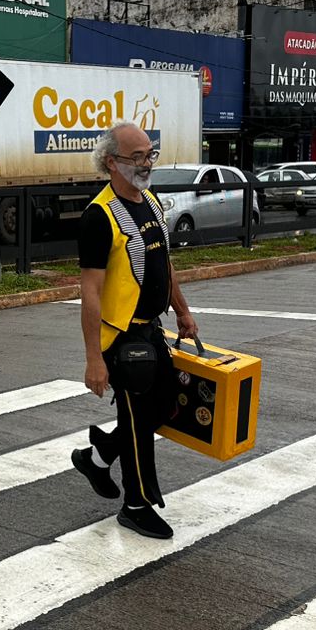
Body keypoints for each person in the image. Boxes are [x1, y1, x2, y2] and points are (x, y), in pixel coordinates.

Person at [72, 122, 200, 539]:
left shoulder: (151, 201)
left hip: (151, 330)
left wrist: (182, 310)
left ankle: (98, 456)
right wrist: (94, 359)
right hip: (120, 338)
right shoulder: (99, 216)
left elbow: (165, 264)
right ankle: (136, 504)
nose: (147, 164)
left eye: (150, 154)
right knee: (139, 417)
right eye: (138, 156)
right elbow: (89, 292)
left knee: (165, 408)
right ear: (112, 162)